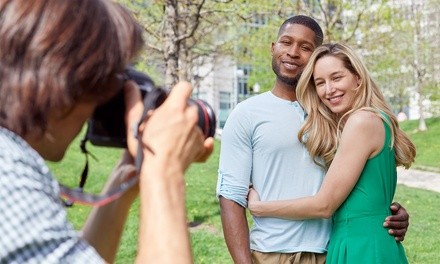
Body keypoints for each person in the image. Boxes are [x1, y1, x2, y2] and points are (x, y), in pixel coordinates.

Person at [0, 1, 213, 263]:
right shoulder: (8, 175)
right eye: (102, 83)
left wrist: (123, 182)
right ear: (66, 80)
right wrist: (164, 169)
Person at [217, 15, 410, 264]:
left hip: (330, 251)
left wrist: (385, 211)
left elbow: (358, 182)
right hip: (271, 253)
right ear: (273, 48)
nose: (293, 52)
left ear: (315, 56)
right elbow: (231, 196)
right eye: (286, 42)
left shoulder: (338, 114)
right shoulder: (246, 113)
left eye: (306, 47)